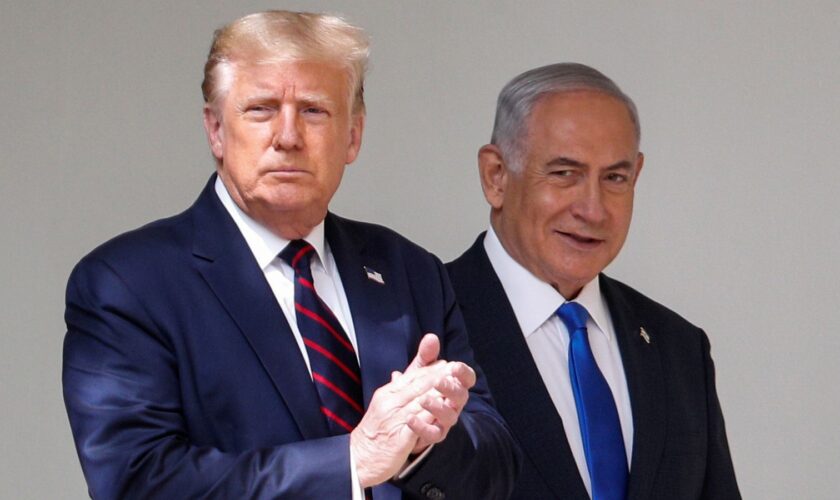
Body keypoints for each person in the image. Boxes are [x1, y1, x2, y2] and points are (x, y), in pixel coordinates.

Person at [62, 11, 518, 500]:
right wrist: (351, 461)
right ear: (215, 130)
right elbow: (137, 482)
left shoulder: (408, 270)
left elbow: (498, 467)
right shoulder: (128, 284)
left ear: (353, 136)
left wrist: (422, 444)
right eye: (260, 109)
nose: (288, 136)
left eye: (314, 111)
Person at [446, 63, 740, 499]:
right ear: (496, 176)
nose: (594, 209)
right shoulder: (419, 321)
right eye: (565, 173)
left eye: (614, 178)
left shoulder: (678, 349)